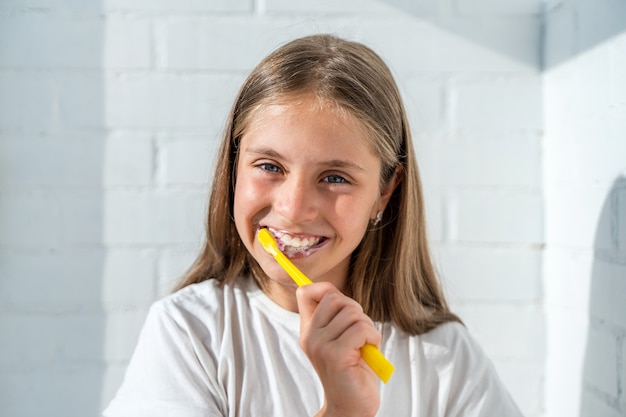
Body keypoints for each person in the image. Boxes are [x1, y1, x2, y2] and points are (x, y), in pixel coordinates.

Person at [104, 34, 523, 417]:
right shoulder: (190, 331)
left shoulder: (446, 356)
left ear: (384, 191)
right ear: (233, 170)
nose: (294, 207)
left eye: (335, 177)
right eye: (270, 166)